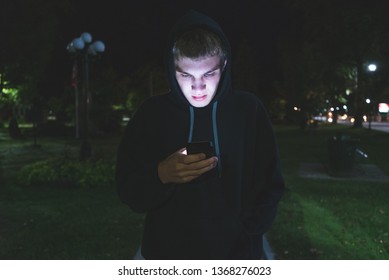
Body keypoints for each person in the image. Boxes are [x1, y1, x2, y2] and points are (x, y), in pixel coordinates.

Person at [116, 10, 285, 260]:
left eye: (208, 74)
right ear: (171, 68)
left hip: (237, 256)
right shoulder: (152, 114)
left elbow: (270, 183)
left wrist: (247, 233)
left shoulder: (248, 110)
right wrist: (161, 174)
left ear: (224, 64)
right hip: (166, 256)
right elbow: (128, 189)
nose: (198, 88)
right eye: (186, 75)